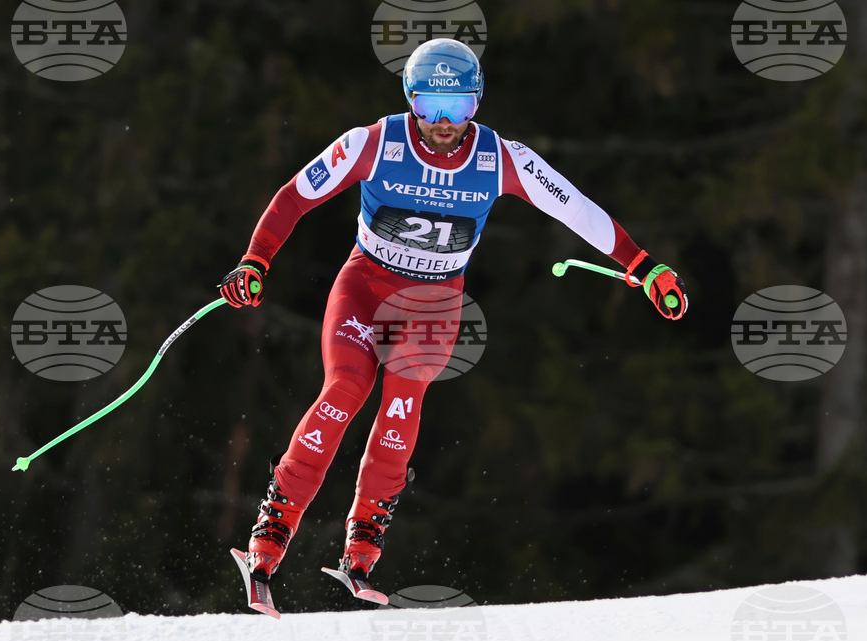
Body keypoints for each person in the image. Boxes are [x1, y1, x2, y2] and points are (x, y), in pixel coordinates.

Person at [219, 39, 688, 587]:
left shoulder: (502, 159)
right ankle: (272, 533)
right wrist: (255, 261)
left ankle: (363, 545)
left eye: (459, 107)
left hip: (435, 303)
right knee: (344, 388)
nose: (444, 122)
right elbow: (294, 196)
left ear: (478, 104)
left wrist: (643, 265)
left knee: (402, 400)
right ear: (410, 102)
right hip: (366, 287)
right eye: (430, 107)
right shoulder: (375, 143)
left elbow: (576, 207)